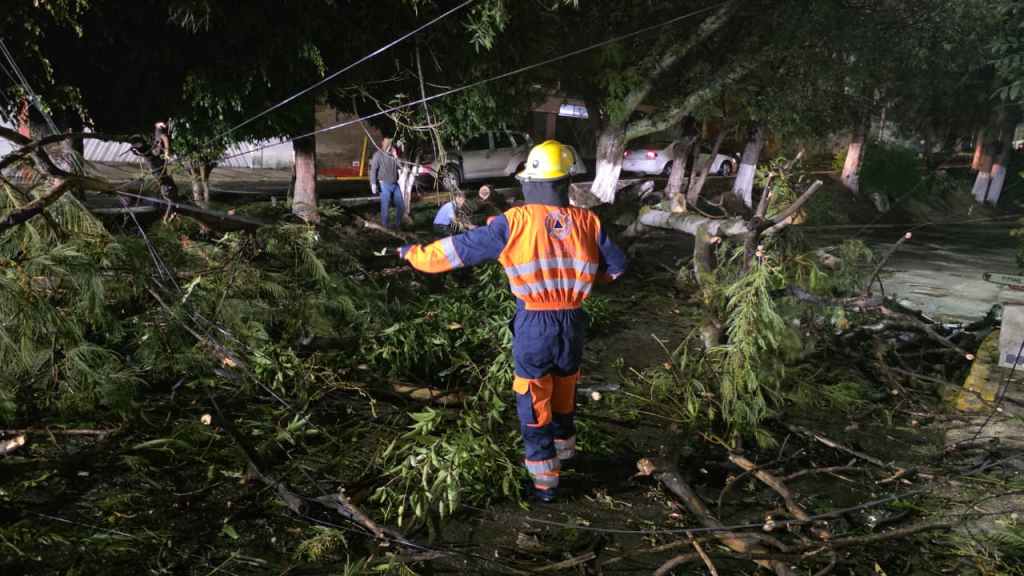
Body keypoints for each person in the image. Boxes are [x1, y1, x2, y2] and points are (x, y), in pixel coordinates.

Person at [397, 140, 627, 503]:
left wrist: (414, 254)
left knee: (534, 398)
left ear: (530, 181)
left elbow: (457, 251)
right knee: (565, 387)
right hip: (574, 322)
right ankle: (566, 454)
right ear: (564, 181)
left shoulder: (514, 223)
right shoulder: (589, 221)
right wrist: (582, 285)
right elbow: (616, 267)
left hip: (535, 324)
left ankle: (544, 484)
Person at [369, 137, 403, 229]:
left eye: (390, 144)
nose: (390, 146)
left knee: (401, 205)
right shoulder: (378, 155)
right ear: (384, 144)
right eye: (387, 143)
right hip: (384, 184)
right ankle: (385, 226)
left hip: (395, 184)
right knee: (385, 205)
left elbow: (401, 166)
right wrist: (373, 183)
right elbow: (373, 170)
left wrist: (396, 156)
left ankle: (398, 225)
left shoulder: (393, 156)